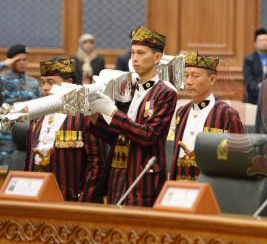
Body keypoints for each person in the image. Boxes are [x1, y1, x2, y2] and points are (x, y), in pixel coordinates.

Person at [88, 26, 178, 206]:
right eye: (132, 53)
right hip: (117, 172)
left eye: (141, 53)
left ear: (157, 58)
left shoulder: (165, 93)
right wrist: (94, 117)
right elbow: (116, 136)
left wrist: (112, 112)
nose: (134, 58)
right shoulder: (127, 89)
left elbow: (148, 135)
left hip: (142, 177)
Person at [25, 58, 106, 202]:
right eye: (43, 82)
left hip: (71, 199)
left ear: (68, 83)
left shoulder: (86, 115)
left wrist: (83, 202)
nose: (45, 88)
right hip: (37, 196)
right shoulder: (37, 115)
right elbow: (29, 159)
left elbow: (97, 165)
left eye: (50, 82)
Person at [169, 51, 244, 181]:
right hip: (181, 184)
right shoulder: (181, 112)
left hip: (212, 184)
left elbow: (238, 157)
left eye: (195, 76)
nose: (189, 81)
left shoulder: (226, 113)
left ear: (212, 79)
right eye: (186, 75)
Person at [0, 44, 40, 165]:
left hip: (27, 134)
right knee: (4, 168)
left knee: (24, 166)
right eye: (18, 60)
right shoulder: (2, 80)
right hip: (6, 134)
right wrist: (4, 63)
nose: (22, 63)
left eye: (24, 59)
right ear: (11, 61)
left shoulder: (33, 83)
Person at [243, 29, 267, 104]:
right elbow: (248, 80)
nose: (264, 43)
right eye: (261, 41)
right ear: (255, 44)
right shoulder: (249, 59)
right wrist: (261, 89)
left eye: (266, 40)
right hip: (253, 96)